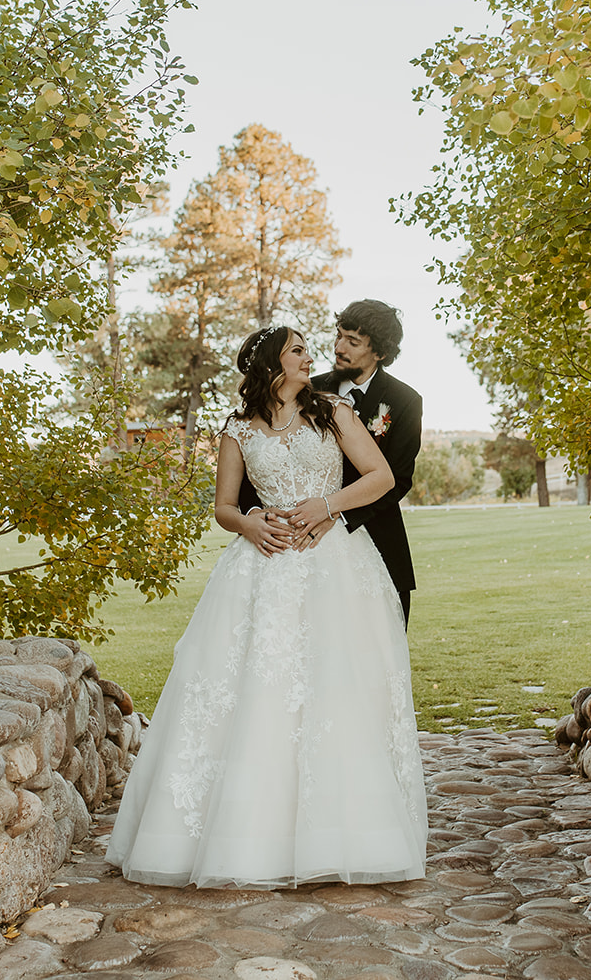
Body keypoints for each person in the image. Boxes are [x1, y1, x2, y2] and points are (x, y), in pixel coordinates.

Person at [104, 326, 427, 888]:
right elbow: (224, 508)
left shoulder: (332, 412)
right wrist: (250, 524)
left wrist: (327, 505)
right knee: (257, 692)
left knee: (335, 691)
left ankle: (345, 833)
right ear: (272, 365)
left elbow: (381, 476)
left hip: (335, 565)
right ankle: (249, 838)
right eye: (298, 349)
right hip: (261, 568)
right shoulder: (236, 429)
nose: (311, 357)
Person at [241, 300, 423, 624]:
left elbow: (398, 479)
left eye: (352, 342)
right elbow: (258, 457)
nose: (338, 347)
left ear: (379, 352)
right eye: (339, 335)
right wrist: (254, 514)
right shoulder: (306, 386)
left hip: (376, 540)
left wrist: (332, 510)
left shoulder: (405, 401)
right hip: (296, 545)